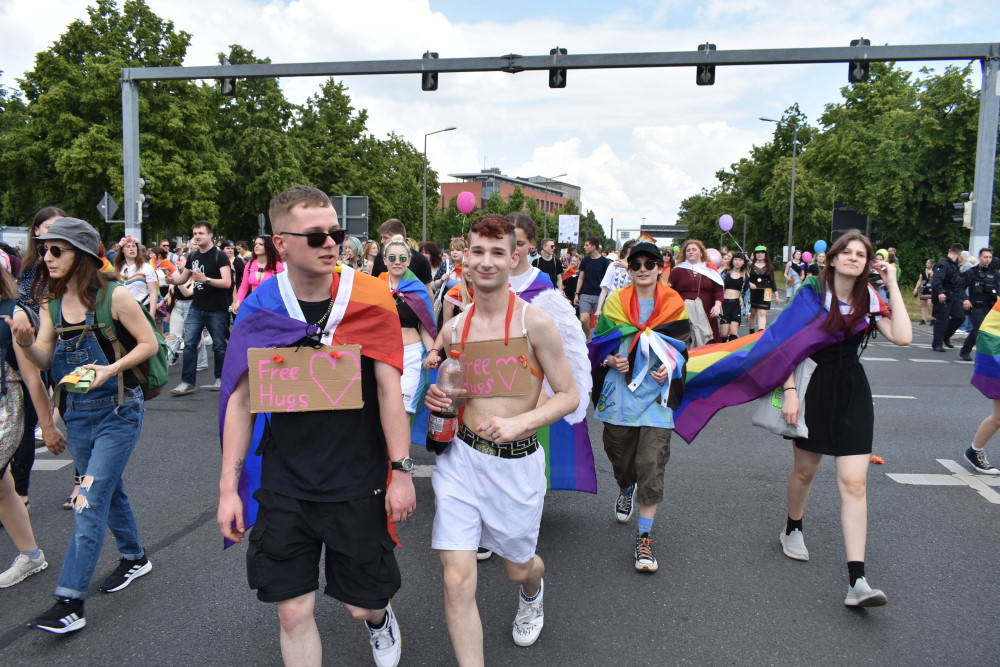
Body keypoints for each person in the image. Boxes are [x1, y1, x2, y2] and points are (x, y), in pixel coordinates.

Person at [217, 185, 415, 667]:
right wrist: (228, 489)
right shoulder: (261, 306)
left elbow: (391, 391)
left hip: (357, 477)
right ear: (280, 243)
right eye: (316, 235)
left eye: (336, 233)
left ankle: (378, 618)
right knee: (291, 611)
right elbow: (240, 402)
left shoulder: (370, 298)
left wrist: (403, 472)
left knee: (360, 604)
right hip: (286, 482)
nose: (331, 243)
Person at [424, 214, 577, 663]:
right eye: (477, 252)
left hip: (515, 464)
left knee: (517, 569)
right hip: (461, 462)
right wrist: (440, 400)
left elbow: (568, 395)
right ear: (464, 259)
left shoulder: (536, 324)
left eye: (497, 253)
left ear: (515, 257)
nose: (486, 262)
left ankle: (533, 588)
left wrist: (522, 423)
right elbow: (450, 391)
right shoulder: (454, 330)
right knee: (455, 578)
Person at [11, 217, 157, 633]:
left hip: (118, 412)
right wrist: (24, 342)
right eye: (44, 250)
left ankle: (69, 602)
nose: (48, 257)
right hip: (78, 417)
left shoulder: (115, 297)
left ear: (83, 257)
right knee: (108, 490)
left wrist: (111, 369)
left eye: (57, 250)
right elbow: (42, 361)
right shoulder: (50, 305)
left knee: (87, 499)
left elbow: (149, 343)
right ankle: (134, 557)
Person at [778, 230, 910, 607]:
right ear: (833, 259)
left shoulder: (869, 297)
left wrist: (892, 285)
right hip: (813, 387)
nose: (854, 258)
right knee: (805, 471)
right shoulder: (810, 295)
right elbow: (783, 344)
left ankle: (858, 581)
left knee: (854, 483)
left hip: (852, 390)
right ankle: (792, 528)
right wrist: (789, 391)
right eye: (847, 252)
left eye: (861, 254)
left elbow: (902, 336)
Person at [590, 242, 689, 574]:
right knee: (618, 453)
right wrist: (610, 358)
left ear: (661, 267)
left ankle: (644, 539)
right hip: (620, 394)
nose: (643, 269)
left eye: (650, 263)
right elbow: (598, 344)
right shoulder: (616, 302)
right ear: (629, 270)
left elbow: (684, 346)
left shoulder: (674, 303)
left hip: (656, 398)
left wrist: (671, 366)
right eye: (637, 264)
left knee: (651, 462)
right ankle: (624, 486)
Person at [0, 265, 65, 589]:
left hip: (6, 407)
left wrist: (47, 426)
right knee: (3, 488)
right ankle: (31, 555)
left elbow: (32, 377)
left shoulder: (13, 315)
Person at [167, 221, 232, 395]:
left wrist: (206, 280)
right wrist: (173, 281)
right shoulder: (194, 255)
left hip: (216, 309)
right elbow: (183, 278)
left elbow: (227, 282)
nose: (197, 236)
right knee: (189, 345)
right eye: (195, 233)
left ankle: (221, 379)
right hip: (196, 307)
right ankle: (187, 382)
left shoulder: (220, 256)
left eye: (201, 233)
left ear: (210, 235)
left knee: (219, 346)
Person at [379, 235, 436, 415]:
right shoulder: (374, 286)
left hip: (411, 355)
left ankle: (400, 444)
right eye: (392, 258)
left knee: (403, 411)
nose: (397, 262)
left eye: (403, 258)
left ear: (409, 261)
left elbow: (426, 325)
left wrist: (433, 352)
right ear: (384, 260)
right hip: (383, 356)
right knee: (383, 409)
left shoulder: (417, 288)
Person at [669, 240, 724, 344]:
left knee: (707, 342)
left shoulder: (710, 269)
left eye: (694, 249)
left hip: (707, 311)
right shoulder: (677, 270)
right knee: (687, 340)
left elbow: (718, 290)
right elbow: (670, 292)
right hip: (684, 313)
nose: (690, 252)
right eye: (688, 250)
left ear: (701, 253)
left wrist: (717, 306)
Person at [958, 248, 998, 362]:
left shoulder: (994, 274)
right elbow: (960, 287)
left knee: (987, 331)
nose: (988, 260)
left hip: (991, 307)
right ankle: (971, 352)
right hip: (976, 306)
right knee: (980, 330)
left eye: (990, 257)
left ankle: (965, 350)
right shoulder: (972, 272)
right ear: (979, 257)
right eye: (985, 257)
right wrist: (965, 300)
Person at [370, 219, 432, 286]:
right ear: (385, 260)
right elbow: (374, 286)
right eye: (391, 258)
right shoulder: (380, 257)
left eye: (385, 237)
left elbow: (428, 292)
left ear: (398, 237)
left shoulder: (420, 260)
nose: (382, 241)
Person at [233, 235, 285, 315]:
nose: (256, 246)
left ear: (269, 247)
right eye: (255, 244)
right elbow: (244, 286)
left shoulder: (277, 266)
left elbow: (285, 289)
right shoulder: (249, 264)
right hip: (254, 306)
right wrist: (238, 301)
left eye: (261, 244)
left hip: (272, 308)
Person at [574, 237, 612, 340]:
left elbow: (608, 280)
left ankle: (599, 340)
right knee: (583, 319)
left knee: (599, 321)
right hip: (585, 294)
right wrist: (576, 293)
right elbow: (581, 278)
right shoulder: (585, 261)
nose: (584, 247)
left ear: (594, 246)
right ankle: (588, 337)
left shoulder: (604, 262)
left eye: (586, 245)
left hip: (599, 295)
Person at [931, 243, 966, 352]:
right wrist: (940, 292)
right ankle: (937, 343)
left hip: (953, 294)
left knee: (960, 317)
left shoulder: (954, 265)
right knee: (942, 320)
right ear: (959, 253)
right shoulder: (943, 263)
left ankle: (946, 336)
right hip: (943, 295)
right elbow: (937, 279)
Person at [113, 236, 158, 319]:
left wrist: (151, 314)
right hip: (123, 311)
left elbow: (153, 292)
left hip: (142, 309)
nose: (132, 249)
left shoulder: (146, 268)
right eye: (128, 246)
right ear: (122, 250)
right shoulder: (118, 269)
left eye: (134, 246)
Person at [596, 240, 635, 318]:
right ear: (629, 250)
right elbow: (605, 288)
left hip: (628, 307)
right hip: (612, 304)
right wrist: (599, 309)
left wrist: (627, 267)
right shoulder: (614, 265)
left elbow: (637, 283)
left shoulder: (636, 268)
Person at [721, 252, 749, 341]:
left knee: (733, 332)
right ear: (732, 260)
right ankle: (721, 351)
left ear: (743, 262)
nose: (737, 262)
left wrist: (747, 309)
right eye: (735, 259)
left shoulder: (745, 276)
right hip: (725, 304)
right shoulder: (725, 273)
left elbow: (747, 294)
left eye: (740, 260)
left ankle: (732, 353)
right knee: (724, 334)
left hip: (736, 304)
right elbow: (719, 288)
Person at [748, 246, 777, 333]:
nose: (760, 254)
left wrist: (777, 294)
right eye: (758, 253)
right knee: (752, 313)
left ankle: (760, 335)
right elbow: (745, 278)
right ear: (755, 254)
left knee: (762, 313)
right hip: (752, 291)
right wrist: (749, 283)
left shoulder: (770, 267)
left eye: (762, 252)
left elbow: (772, 281)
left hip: (766, 292)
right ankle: (751, 334)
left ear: (765, 254)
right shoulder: (750, 265)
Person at [913, 259, 935, 325]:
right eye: (926, 262)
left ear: (932, 264)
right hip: (923, 288)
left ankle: (933, 318)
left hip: (931, 289)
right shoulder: (923, 271)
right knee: (923, 305)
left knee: (930, 304)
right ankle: (923, 319)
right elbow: (919, 280)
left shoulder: (934, 271)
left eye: (928, 263)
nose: (926, 264)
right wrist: (916, 288)